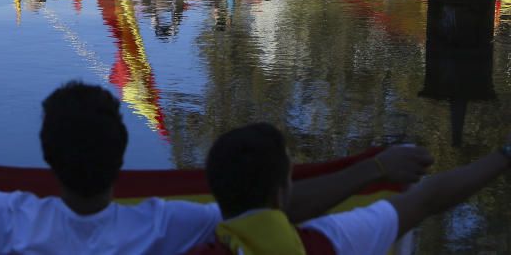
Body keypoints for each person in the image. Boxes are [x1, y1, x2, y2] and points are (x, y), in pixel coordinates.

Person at [0, 81, 431, 254]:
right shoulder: (164, 227)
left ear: (47, 158)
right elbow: (274, 211)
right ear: (122, 156)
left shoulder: (8, 223)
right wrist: (375, 168)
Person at [186, 122, 510, 255]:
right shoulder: (324, 242)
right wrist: (506, 154)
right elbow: (428, 198)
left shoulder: (185, 241)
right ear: (283, 192)